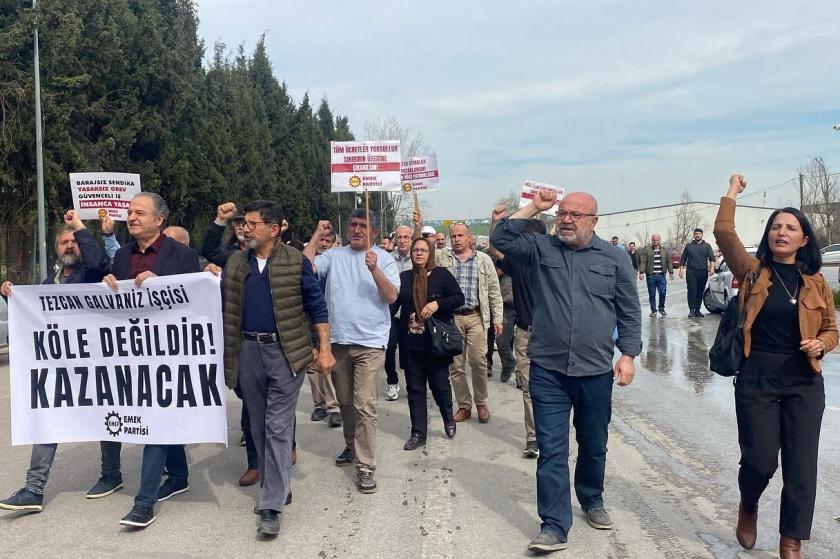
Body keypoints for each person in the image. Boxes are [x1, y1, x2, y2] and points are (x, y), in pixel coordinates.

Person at [491, 188, 641, 554]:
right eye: (563, 213)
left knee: (593, 445)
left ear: (594, 220)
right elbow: (500, 237)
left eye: (576, 214)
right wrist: (533, 208)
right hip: (548, 370)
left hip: (593, 372)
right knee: (552, 450)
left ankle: (591, 499)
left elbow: (629, 310)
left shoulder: (614, 258)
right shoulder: (542, 249)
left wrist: (628, 355)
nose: (567, 219)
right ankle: (554, 526)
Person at [715, 174, 837, 559]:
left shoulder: (816, 283)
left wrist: (822, 343)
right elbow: (723, 231)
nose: (781, 232)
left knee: (801, 467)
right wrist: (732, 192)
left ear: (804, 239)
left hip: (804, 381)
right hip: (757, 381)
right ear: (769, 235)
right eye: (776, 227)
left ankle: (791, 541)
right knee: (760, 460)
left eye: (791, 228)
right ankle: (748, 503)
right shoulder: (752, 271)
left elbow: (833, 329)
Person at [221, 200, 334, 538]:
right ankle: (279, 483)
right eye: (243, 224)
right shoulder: (236, 262)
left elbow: (316, 306)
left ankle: (270, 505)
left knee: (277, 425)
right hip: (247, 352)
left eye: (252, 223)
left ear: (273, 229)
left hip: (286, 353)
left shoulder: (295, 261)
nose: (245, 228)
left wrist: (324, 349)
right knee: (257, 426)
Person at [0, 210, 114, 513]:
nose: (69, 246)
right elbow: (33, 319)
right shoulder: (48, 282)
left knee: (106, 415)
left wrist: (81, 230)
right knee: (49, 419)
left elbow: (98, 262)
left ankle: (111, 474)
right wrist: (11, 296)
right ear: (56, 249)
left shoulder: (92, 275)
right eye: (64, 242)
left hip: (97, 364)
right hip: (62, 368)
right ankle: (34, 488)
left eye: (74, 241)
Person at [103, 192, 201, 528]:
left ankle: (144, 503)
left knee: (155, 421)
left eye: (139, 213)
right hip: (133, 357)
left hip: (171, 357)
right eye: (129, 212)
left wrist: (162, 286)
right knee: (159, 418)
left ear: (159, 219)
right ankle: (178, 475)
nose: (131, 217)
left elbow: (196, 302)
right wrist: (106, 287)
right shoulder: (121, 257)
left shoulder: (183, 256)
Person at [303, 209, 400, 494]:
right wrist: (317, 234)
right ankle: (350, 445)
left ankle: (366, 466)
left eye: (363, 226)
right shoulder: (334, 256)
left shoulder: (383, 258)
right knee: (345, 402)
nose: (357, 230)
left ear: (373, 232)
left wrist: (374, 270)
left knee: (365, 405)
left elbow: (391, 297)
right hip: (338, 342)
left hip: (371, 343)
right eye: (353, 225)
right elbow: (306, 267)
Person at [199, 202, 260, 486]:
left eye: (247, 223)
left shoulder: (284, 257)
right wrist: (218, 221)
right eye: (237, 225)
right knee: (249, 400)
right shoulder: (231, 257)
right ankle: (255, 461)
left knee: (273, 407)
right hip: (239, 340)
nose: (242, 228)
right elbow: (209, 251)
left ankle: (281, 450)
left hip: (271, 343)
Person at [393, 237, 464, 450]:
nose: (419, 254)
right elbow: (392, 303)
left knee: (440, 386)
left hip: (436, 343)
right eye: (415, 250)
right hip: (411, 342)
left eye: (423, 250)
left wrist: (437, 304)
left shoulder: (441, 275)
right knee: (415, 389)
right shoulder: (405, 277)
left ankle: (448, 418)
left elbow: (458, 298)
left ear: (430, 252)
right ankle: (418, 433)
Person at [489, 206, 544, 458]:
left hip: (554, 337)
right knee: (530, 388)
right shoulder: (519, 261)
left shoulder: (557, 262)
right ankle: (533, 438)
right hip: (525, 332)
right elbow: (495, 249)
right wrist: (495, 223)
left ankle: (550, 433)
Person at [437, 223, 503, 423]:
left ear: (470, 238)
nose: (456, 239)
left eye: (460, 235)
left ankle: (481, 403)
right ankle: (464, 406)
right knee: (456, 366)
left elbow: (493, 291)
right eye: (453, 236)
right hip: (451, 319)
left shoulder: (483, 260)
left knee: (478, 362)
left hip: (476, 317)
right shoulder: (442, 259)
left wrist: (497, 318)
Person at [308, 229, 343, 429]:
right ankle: (319, 404)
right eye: (319, 239)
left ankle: (334, 407)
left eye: (327, 240)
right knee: (311, 364)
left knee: (326, 362)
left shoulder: (333, 263)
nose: (322, 243)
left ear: (333, 243)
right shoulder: (305, 261)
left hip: (328, 318)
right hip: (307, 318)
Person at [384, 225, 416, 401]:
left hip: (412, 314)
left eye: (406, 237)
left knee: (409, 352)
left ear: (411, 239)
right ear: (395, 239)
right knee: (388, 348)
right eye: (399, 237)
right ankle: (392, 381)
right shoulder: (387, 259)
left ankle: (413, 383)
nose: (403, 240)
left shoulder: (417, 258)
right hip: (391, 313)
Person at [679, 228, 715, 318]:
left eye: (699, 234)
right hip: (691, 272)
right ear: (693, 235)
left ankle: (697, 310)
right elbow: (683, 258)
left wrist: (712, 268)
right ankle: (691, 310)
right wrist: (681, 270)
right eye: (696, 234)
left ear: (702, 235)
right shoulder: (689, 246)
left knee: (700, 292)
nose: (697, 235)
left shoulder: (707, 246)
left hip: (703, 272)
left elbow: (712, 258)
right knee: (692, 291)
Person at [638, 234, 674, 317]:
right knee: (652, 294)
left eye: (657, 240)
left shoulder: (664, 250)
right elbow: (643, 262)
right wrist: (641, 272)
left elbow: (669, 262)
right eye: (654, 240)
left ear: (660, 240)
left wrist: (671, 272)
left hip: (661, 276)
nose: (655, 241)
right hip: (651, 276)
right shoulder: (647, 250)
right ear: (652, 240)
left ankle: (661, 308)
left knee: (662, 292)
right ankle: (653, 310)